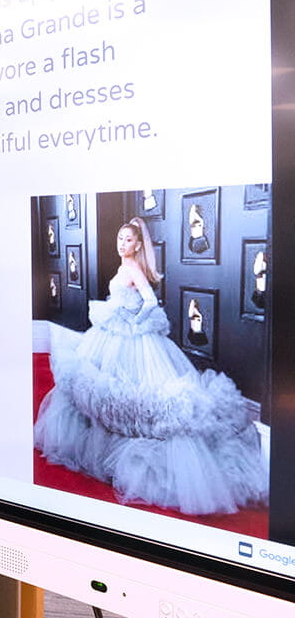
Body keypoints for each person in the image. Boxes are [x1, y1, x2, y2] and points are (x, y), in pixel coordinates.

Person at [34, 217, 268, 515]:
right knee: (99, 392)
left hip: (131, 337)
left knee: (131, 398)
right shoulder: (124, 266)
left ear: (139, 244)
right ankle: (99, 443)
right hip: (111, 333)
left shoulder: (132, 268)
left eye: (128, 240)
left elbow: (150, 301)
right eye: (120, 238)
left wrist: (134, 320)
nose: (122, 244)